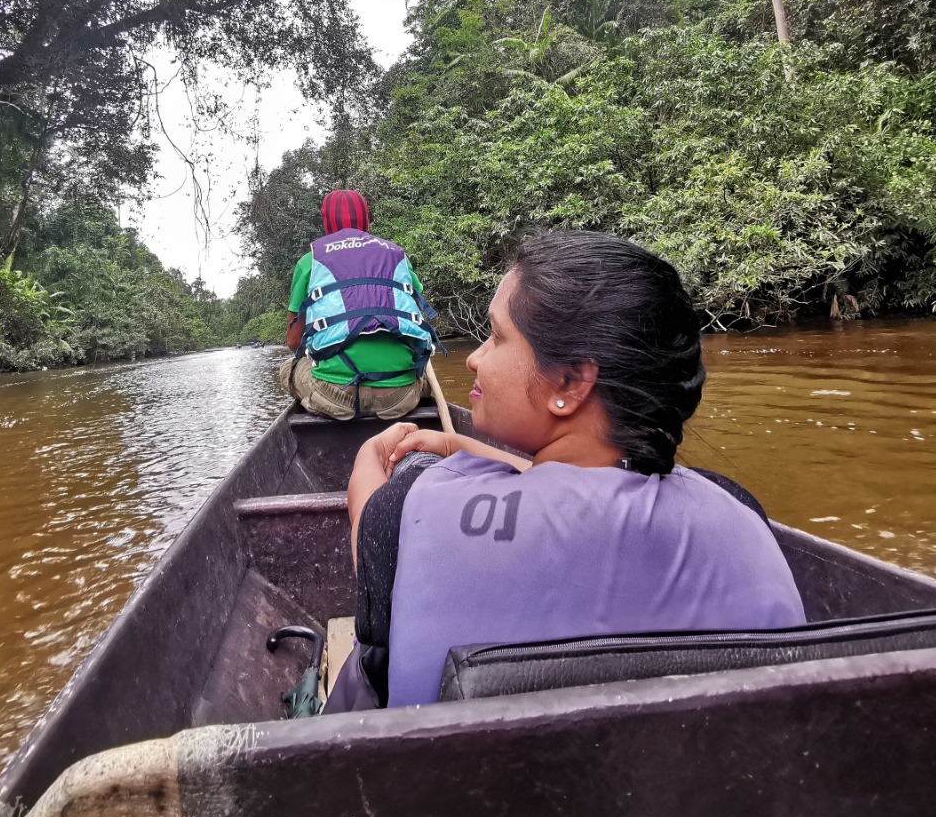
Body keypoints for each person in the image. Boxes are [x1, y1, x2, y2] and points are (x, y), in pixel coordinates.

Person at [326, 231, 804, 711]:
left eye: (495, 337)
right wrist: (459, 443)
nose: (473, 358)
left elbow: (371, 527)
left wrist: (367, 460)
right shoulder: (738, 511)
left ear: (572, 381)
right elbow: (588, 496)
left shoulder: (412, 506)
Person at [275, 190, 439, 421]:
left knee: (288, 369)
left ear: (325, 223)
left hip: (334, 397)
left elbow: (294, 341)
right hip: (400, 396)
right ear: (367, 220)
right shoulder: (397, 254)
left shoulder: (309, 260)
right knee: (424, 373)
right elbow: (412, 313)